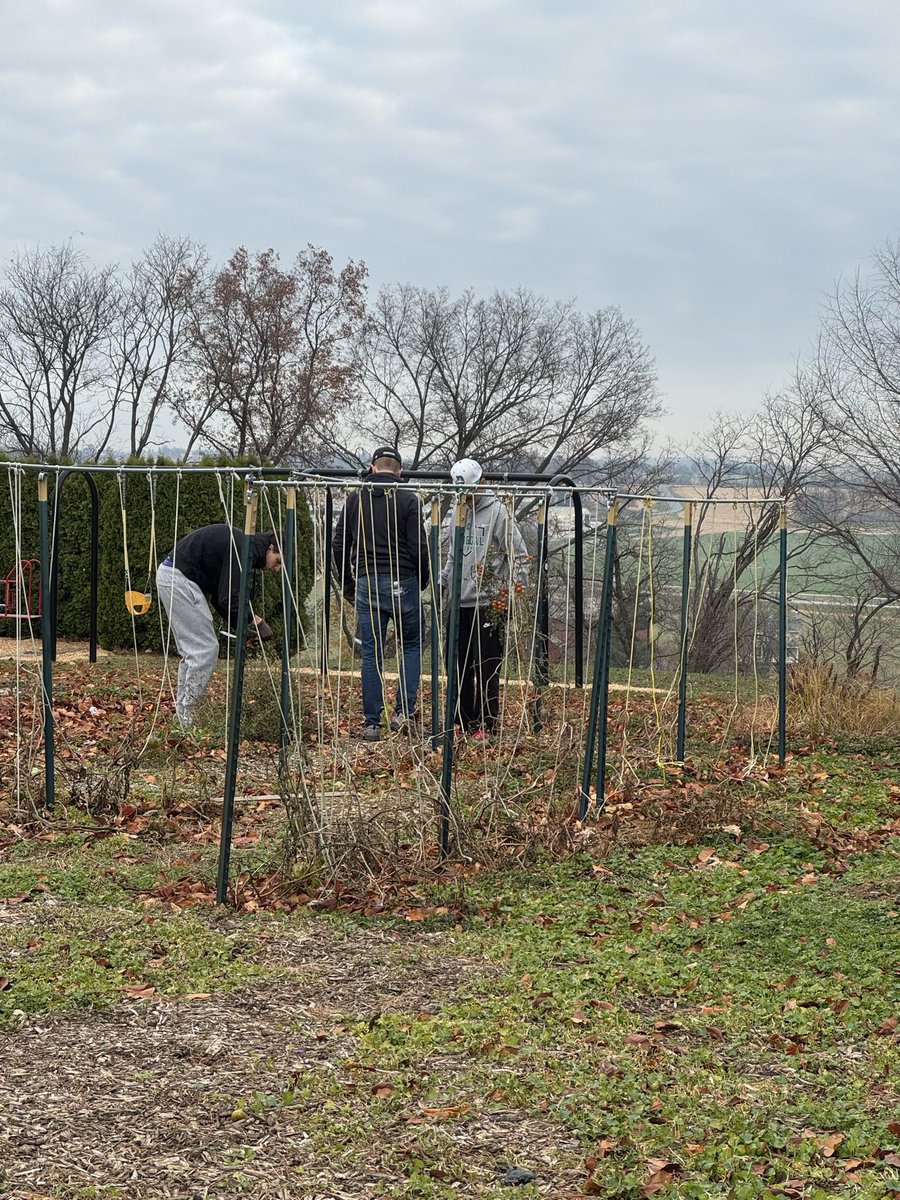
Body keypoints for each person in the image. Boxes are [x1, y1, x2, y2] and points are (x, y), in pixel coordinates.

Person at [332, 446, 430, 742]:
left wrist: (348, 584)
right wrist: (422, 580)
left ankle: (372, 723)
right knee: (411, 644)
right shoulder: (408, 499)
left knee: (371, 652)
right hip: (403, 581)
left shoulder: (354, 499)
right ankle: (403, 712)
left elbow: (338, 545)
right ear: (400, 472)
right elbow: (419, 547)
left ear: (372, 468)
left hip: (367, 581)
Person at [157, 524, 282, 727]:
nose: (276, 569)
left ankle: (182, 716)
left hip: (178, 578)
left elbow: (219, 596)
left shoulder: (243, 546)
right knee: (204, 650)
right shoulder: (242, 547)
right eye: (278, 561)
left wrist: (243, 628)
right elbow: (227, 599)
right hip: (177, 579)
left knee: (195, 652)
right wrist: (253, 620)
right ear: (271, 547)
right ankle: (185, 717)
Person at [441, 458, 529, 739]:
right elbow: (454, 556)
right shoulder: (458, 512)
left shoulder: (499, 514)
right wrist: (444, 583)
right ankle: (463, 720)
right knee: (458, 665)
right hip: (459, 602)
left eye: (469, 493)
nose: (466, 499)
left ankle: (487, 724)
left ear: (482, 484)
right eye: (461, 495)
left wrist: (512, 590)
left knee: (487, 667)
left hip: (488, 604)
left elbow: (520, 556)